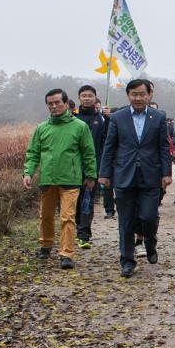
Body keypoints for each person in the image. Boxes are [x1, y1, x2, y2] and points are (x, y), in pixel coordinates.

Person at [98, 78, 172, 278]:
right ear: (128, 95)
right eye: (134, 94)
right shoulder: (117, 117)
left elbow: (163, 147)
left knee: (148, 216)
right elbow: (109, 147)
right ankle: (127, 260)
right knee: (126, 221)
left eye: (142, 94)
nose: (138, 98)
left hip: (150, 176)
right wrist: (104, 174)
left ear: (149, 95)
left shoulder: (158, 117)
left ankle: (150, 240)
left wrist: (166, 173)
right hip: (124, 175)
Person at [23, 88, 98, 270]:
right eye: (50, 103)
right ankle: (46, 244)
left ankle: (66, 254)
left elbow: (88, 152)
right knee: (45, 216)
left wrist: (90, 174)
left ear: (66, 103)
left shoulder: (80, 127)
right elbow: (33, 153)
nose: (54, 106)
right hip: (48, 178)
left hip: (71, 179)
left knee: (68, 217)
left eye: (57, 102)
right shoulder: (42, 128)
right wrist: (28, 172)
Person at [72, 85, 107, 248]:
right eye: (84, 95)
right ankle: (74, 229)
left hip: (92, 166)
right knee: (73, 200)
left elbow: (106, 141)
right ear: (79, 98)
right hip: (72, 167)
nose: (87, 98)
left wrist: (109, 119)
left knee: (87, 200)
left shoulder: (100, 119)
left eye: (90, 95)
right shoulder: (72, 118)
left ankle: (84, 234)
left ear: (95, 98)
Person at [98, 99, 117, 220]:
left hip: (121, 160)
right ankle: (109, 209)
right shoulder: (105, 124)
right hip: (107, 159)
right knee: (107, 187)